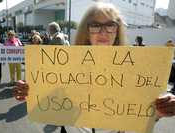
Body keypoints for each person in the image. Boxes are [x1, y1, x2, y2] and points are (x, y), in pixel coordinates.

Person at [13, 2, 175, 133]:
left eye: (110, 25)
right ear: (86, 30)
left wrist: (160, 110)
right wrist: (29, 92)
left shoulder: (136, 67)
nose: (103, 32)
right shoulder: (62, 65)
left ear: (117, 30)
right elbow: (47, 98)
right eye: (95, 25)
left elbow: (143, 111)